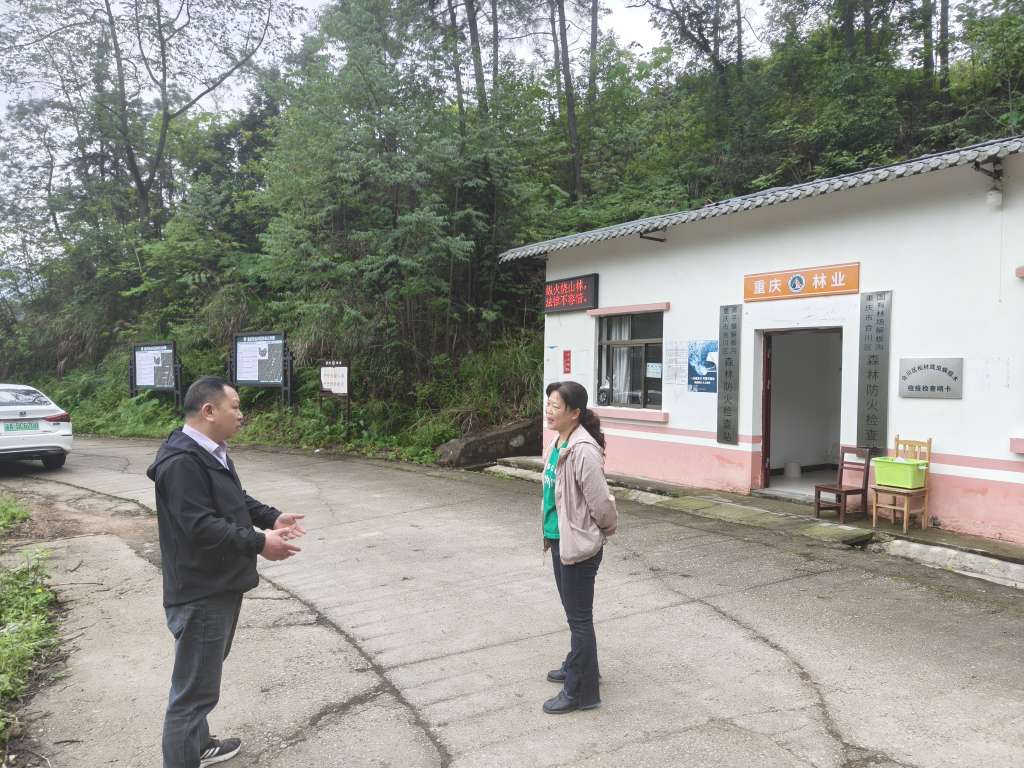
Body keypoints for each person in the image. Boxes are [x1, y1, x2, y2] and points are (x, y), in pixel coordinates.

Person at [147, 376, 305, 768]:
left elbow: (233, 499)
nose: (241, 414)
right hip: (200, 592)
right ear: (209, 411)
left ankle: (199, 746)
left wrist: (271, 517)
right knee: (192, 695)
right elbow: (200, 526)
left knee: (200, 679)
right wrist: (260, 542)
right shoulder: (182, 462)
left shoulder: (209, 451)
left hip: (217, 584)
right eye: (234, 406)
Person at [541, 380, 617, 714]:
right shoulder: (559, 441)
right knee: (576, 616)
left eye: (556, 406)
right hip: (560, 539)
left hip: (578, 545)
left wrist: (603, 531)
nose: (549, 410)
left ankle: (580, 692)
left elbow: (600, 503)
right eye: (548, 404)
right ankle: (581, 664)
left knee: (579, 619)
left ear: (574, 413)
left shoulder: (583, 449)